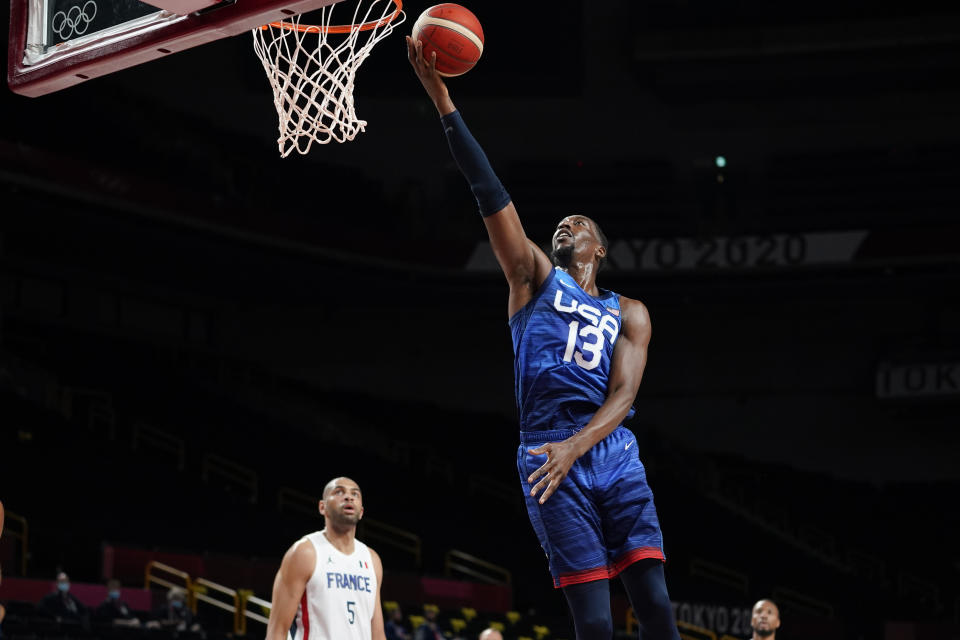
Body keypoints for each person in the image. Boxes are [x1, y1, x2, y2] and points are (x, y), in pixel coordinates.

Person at [407, 38, 681, 640]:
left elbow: (625, 394)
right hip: (544, 454)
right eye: (562, 222)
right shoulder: (533, 278)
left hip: (605, 449)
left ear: (599, 249)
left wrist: (579, 446)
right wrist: (443, 101)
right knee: (595, 621)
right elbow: (489, 194)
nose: (567, 224)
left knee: (655, 603)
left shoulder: (630, 311)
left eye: (580, 224)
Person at [265, 477, 386, 640]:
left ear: (361, 512)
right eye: (339, 492)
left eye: (355, 494)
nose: (349, 497)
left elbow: (377, 633)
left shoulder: (372, 559)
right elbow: (277, 631)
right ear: (322, 507)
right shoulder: (304, 553)